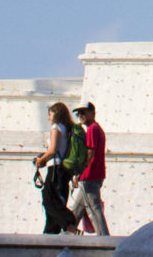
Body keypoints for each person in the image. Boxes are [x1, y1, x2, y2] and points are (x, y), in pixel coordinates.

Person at [32, 101, 76, 234]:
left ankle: (70, 225)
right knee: (55, 204)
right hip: (63, 170)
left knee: (48, 200)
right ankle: (50, 235)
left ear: (56, 115)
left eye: (50, 115)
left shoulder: (57, 127)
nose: (48, 118)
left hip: (55, 170)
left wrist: (41, 160)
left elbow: (52, 150)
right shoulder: (67, 128)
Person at [68, 101, 109, 236]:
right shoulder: (97, 129)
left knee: (93, 210)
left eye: (83, 112)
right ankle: (67, 233)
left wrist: (79, 172)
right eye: (78, 113)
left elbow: (90, 152)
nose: (80, 115)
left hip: (89, 176)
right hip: (94, 175)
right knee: (77, 209)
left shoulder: (92, 129)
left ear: (92, 112)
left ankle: (104, 239)